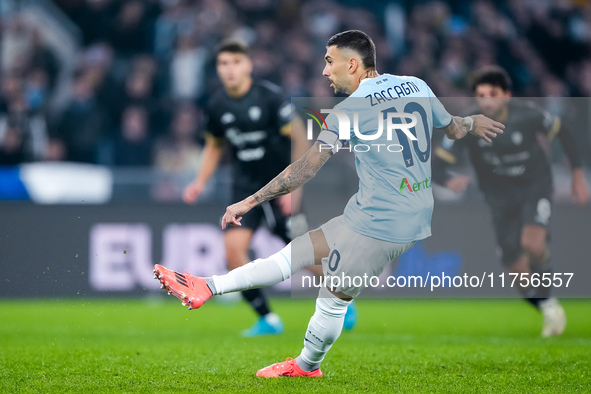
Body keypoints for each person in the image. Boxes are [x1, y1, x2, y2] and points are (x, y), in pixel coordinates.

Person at [155, 30, 503, 377]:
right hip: (377, 210)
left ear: (353, 64)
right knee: (295, 254)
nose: (324, 71)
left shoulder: (348, 111)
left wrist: (249, 201)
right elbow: (453, 127)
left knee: (332, 298)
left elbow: (305, 168)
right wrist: (473, 122)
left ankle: (306, 366)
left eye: (329, 61)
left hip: (385, 222)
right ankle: (207, 285)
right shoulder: (416, 85)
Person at [432, 66, 589, 337]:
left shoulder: (527, 115)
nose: (487, 101)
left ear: (506, 95)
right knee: (517, 272)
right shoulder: (467, 124)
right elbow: (437, 161)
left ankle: (542, 257)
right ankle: (548, 304)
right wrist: (446, 180)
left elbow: (563, 131)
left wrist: (577, 173)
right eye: (481, 95)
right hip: (498, 200)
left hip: (533, 187)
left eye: (492, 94)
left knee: (532, 243)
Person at [181, 40, 316, 336]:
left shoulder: (270, 97)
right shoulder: (216, 106)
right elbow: (215, 145)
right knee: (233, 251)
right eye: (223, 64)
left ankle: (342, 296)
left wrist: (295, 188)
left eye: (235, 62)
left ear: (248, 65)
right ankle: (267, 318)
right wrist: (200, 181)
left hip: (281, 185)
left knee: (305, 254)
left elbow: (301, 140)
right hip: (244, 189)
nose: (229, 70)